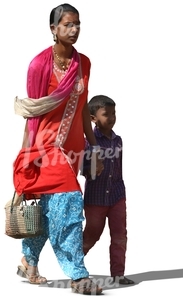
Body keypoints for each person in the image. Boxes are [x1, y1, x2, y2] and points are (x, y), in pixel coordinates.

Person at [13, 3, 104, 295]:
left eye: (77, 24)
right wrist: (26, 155)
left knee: (51, 209)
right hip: (44, 146)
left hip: (72, 148)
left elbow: (82, 110)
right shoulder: (38, 64)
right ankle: (78, 274)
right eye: (67, 24)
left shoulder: (84, 63)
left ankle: (28, 261)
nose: (74, 29)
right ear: (53, 29)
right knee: (70, 203)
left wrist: (94, 147)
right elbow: (33, 112)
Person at [81, 95, 135, 285]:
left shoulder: (118, 141)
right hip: (95, 198)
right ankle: (75, 267)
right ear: (93, 118)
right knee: (92, 234)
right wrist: (91, 168)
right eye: (106, 114)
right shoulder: (89, 141)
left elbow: (118, 168)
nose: (111, 118)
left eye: (114, 113)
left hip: (117, 195)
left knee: (120, 235)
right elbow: (82, 170)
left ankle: (118, 275)